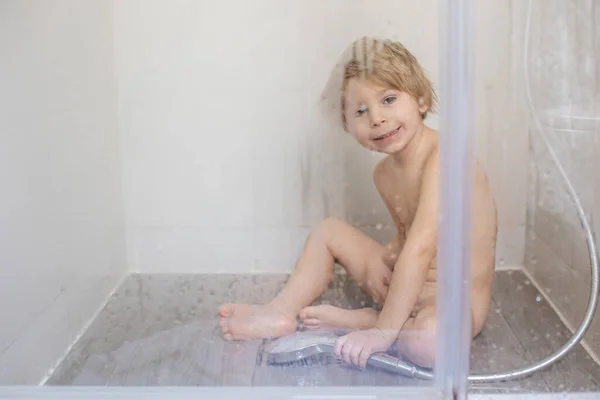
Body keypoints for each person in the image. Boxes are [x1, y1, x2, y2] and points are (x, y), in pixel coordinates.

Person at [218, 37, 497, 369]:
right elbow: (408, 237)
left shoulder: (447, 157)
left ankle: (370, 321)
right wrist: (390, 255)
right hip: (404, 288)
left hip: (449, 303)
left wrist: (381, 330)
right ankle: (280, 311)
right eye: (361, 111)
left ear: (421, 99)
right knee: (328, 231)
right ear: (348, 126)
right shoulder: (384, 174)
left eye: (389, 99)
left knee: (431, 344)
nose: (377, 118)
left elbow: (422, 248)